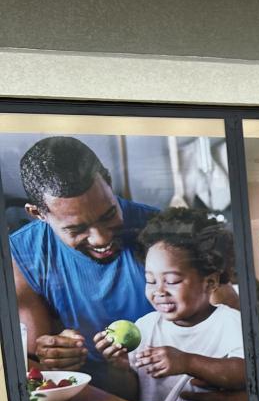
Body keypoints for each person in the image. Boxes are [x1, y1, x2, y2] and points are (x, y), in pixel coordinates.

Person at [12, 136, 157, 381]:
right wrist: (52, 354)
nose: (101, 238)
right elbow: (33, 363)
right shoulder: (20, 254)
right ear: (37, 214)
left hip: (166, 385)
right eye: (76, 229)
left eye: (109, 214)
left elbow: (221, 324)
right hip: (85, 392)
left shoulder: (164, 232)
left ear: (108, 182)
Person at [93, 210, 249, 401]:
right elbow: (134, 393)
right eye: (150, 280)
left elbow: (246, 372)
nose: (159, 291)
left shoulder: (230, 322)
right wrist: (119, 368)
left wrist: (187, 362)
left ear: (210, 282)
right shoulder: (146, 326)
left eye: (172, 281)